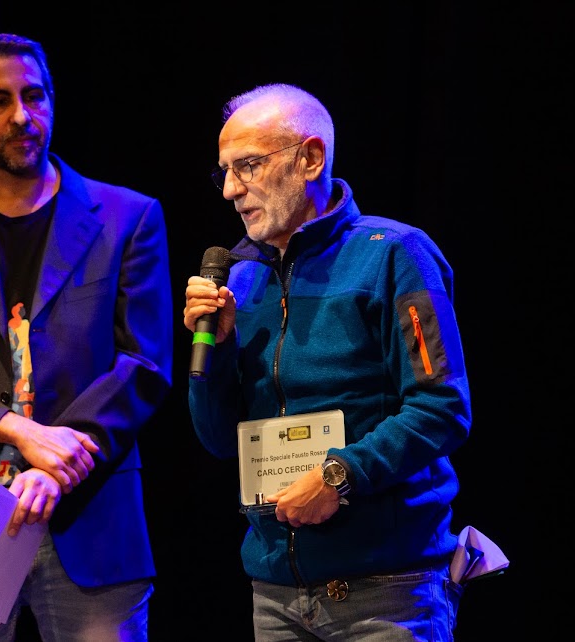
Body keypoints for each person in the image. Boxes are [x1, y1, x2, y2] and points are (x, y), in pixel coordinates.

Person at [0, 33, 173, 641]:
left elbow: (144, 363)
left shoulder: (128, 217)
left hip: (91, 516)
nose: (22, 115)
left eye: (34, 96)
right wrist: (20, 432)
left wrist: (58, 466)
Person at [182, 83, 471, 641]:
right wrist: (215, 351)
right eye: (224, 173)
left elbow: (442, 408)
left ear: (310, 159)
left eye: (248, 166)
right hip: (276, 595)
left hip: (386, 592)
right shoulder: (241, 278)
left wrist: (339, 476)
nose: (231, 190)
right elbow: (218, 440)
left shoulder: (394, 254)